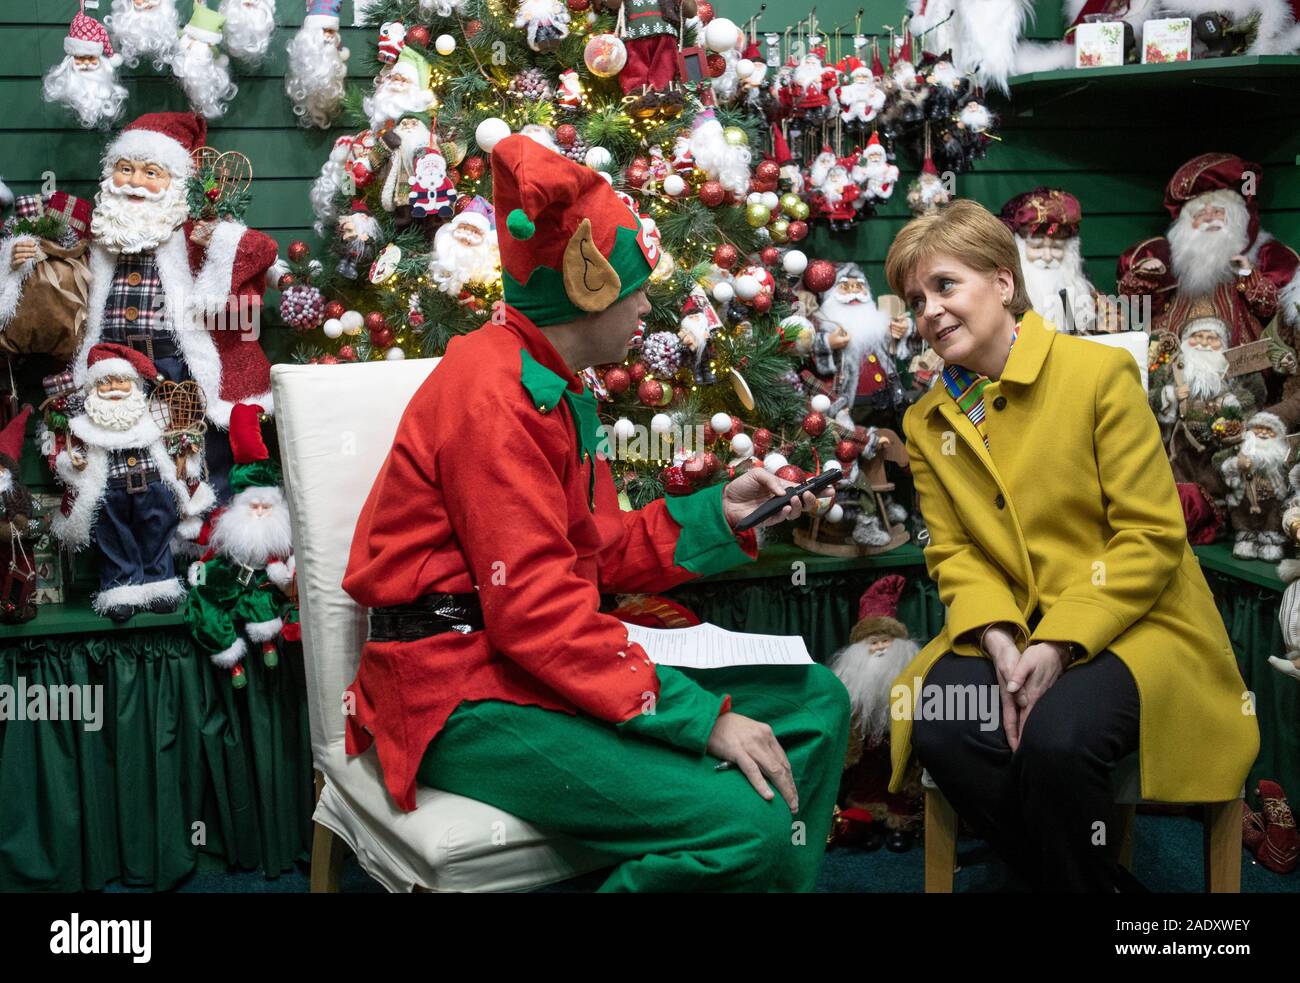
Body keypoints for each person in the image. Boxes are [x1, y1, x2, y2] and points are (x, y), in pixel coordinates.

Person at [342, 134, 851, 892]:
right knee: (746, 827)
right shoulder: (494, 396)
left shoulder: (554, 381)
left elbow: (590, 555)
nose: (649, 302)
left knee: (818, 701)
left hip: (522, 660)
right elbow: (537, 614)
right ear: (587, 287)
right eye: (637, 285)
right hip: (460, 692)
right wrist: (698, 717)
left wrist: (725, 516)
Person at [883, 199, 1259, 891]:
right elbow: (956, 554)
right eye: (914, 298)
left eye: (944, 285)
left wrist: (1056, 644)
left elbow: (1150, 535)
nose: (929, 310)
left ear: (1002, 282)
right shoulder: (924, 419)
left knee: (1058, 739)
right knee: (941, 719)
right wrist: (999, 639)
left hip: (1133, 621)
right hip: (1008, 621)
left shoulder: (1095, 375)